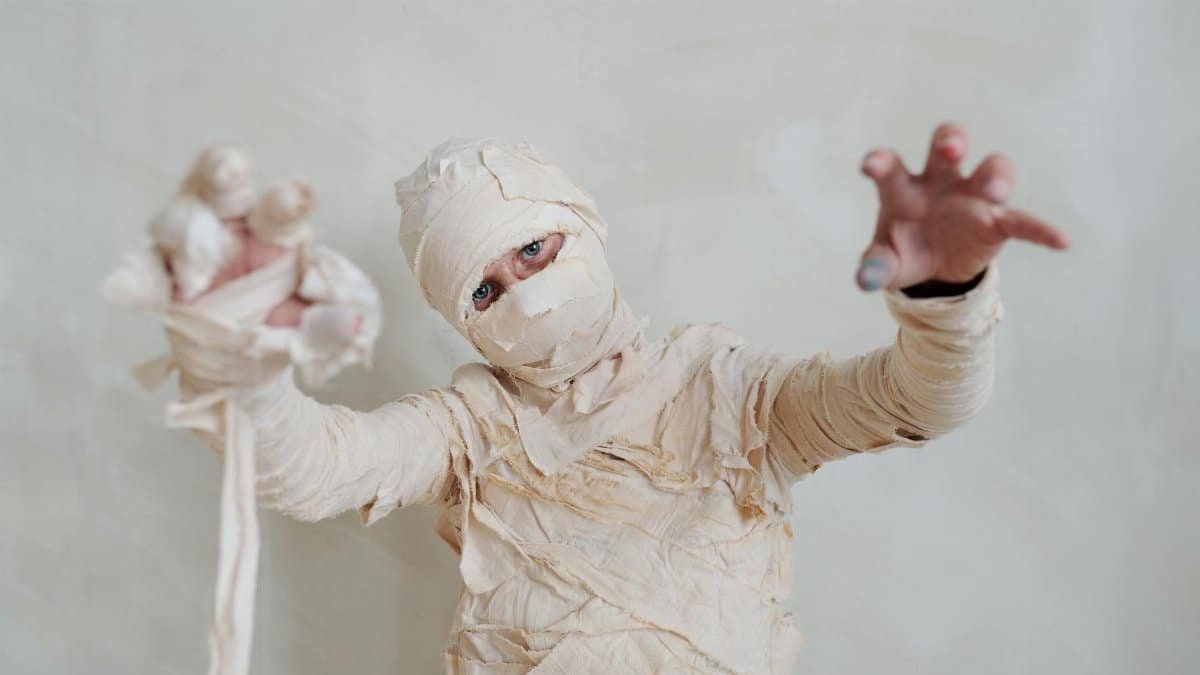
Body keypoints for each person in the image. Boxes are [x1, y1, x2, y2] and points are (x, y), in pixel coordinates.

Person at [125, 125, 1069, 674]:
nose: (528, 292)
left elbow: (914, 399)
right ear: (468, 327)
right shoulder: (473, 426)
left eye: (534, 248)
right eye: (486, 291)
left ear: (582, 225)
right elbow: (317, 467)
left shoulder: (730, 392)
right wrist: (241, 358)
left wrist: (947, 299)